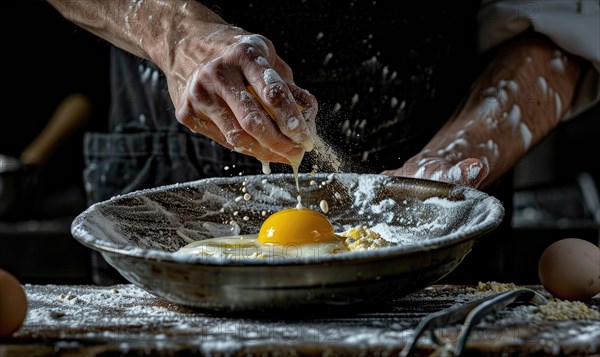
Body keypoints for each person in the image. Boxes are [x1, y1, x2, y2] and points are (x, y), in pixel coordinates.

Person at [46, 0, 599, 284]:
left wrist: (440, 168)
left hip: (438, 183)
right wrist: (175, 34)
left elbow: (563, 26)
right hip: (169, 165)